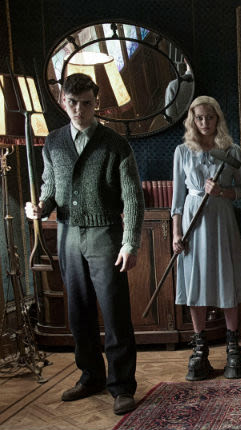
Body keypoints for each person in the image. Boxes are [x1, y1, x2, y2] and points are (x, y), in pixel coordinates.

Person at [25, 73, 144, 415]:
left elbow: (133, 198)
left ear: (97, 103)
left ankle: (122, 386)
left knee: (115, 312)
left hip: (104, 235)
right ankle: (91, 376)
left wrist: (130, 243)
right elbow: (50, 187)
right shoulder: (53, 142)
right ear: (63, 102)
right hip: (67, 235)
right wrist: (41, 207)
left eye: (86, 103)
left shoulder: (115, 144)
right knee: (78, 312)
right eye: (73, 103)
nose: (79, 109)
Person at [170, 96, 241, 381]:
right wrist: (176, 233)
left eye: (210, 117)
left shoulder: (232, 150)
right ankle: (200, 350)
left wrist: (222, 192)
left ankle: (233, 348)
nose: (205, 122)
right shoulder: (182, 151)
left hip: (222, 221)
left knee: (226, 279)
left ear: (218, 118)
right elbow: (177, 199)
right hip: (193, 222)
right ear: (192, 120)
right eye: (199, 117)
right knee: (196, 283)